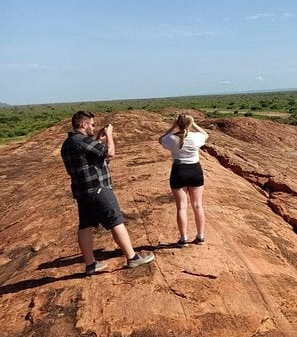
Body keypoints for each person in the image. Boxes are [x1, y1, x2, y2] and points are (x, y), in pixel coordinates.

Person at [61, 111, 155, 275]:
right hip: (98, 189)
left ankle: (91, 265)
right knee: (116, 221)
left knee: (85, 226)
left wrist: (97, 139)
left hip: (82, 192)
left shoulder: (68, 143)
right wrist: (110, 136)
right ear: (84, 125)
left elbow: (91, 158)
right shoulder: (81, 140)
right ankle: (132, 258)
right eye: (92, 124)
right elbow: (109, 153)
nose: (93, 126)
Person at [159, 113, 209, 246]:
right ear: (190, 123)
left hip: (179, 171)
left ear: (178, 123)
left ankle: (184, 239)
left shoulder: (172, 138)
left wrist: (172, 127)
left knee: (181, 207)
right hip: (195, 170)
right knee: (198, 205)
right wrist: (194, 125)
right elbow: (206, 135)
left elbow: (160, 139)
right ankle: (200, 236)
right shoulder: (196, 137)